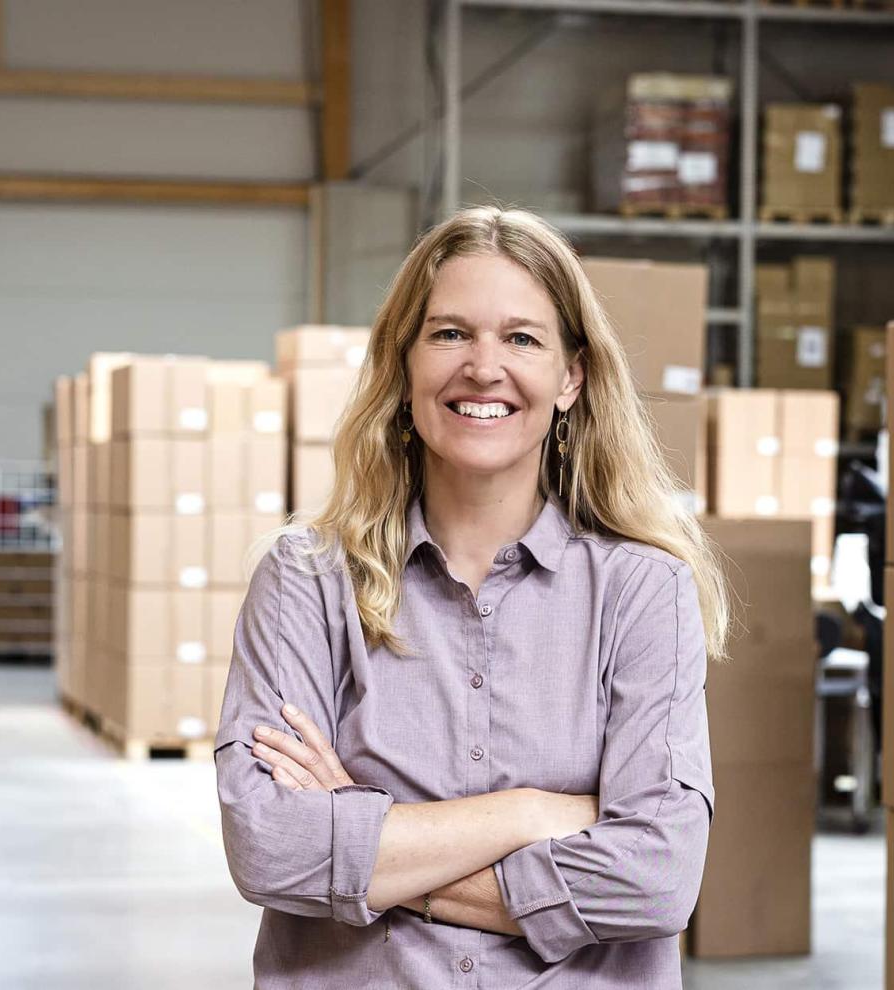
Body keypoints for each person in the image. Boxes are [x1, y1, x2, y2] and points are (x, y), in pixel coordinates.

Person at [215, 205, 729, 988]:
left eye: (521, 337)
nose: (483, 368)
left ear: (570, 377)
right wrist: (532, 814)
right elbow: (269, 847)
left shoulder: (641, 591)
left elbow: (658, 877)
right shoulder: (307, 582)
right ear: (405, 364)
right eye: (450, 333)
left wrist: (363, 834)